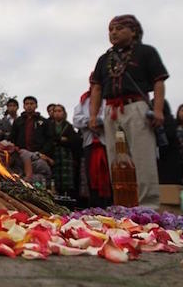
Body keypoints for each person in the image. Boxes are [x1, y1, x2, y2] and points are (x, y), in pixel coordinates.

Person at [90, 14, 168, 209]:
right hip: (110, 111)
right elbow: (96, 88)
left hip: (136, 107)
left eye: (119, 28)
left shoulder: (146, 52)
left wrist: (158, 110)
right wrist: (93, 116)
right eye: (110, 29)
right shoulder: (104, 59)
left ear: (133, 31)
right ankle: (122, 205)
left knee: (143, 157)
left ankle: (148, 207)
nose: (113, 32)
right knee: (115, 159)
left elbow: (158, 81)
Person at [73, 79, 112, 207]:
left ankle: (111, 204)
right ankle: (95, 206)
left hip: (107, 143)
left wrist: (100, 122)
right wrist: (89, 122)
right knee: (92, 177)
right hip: (89, 143)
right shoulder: (83, 102)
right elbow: (76, 120)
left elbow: (112, 116)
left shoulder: (108, 99)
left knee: (109, 175)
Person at [47, 104, 81, 198]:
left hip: (66, 155)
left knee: (67, 179)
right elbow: (50, 139)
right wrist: (60, 139)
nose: (57, 113)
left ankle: (67, 197)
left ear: (64, 113)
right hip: (54, 154)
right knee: (55, 178)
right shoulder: (49, 125)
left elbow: (73, 140)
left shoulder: (68, 126)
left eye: (59, 111)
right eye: (55, 111)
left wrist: (61, 140)